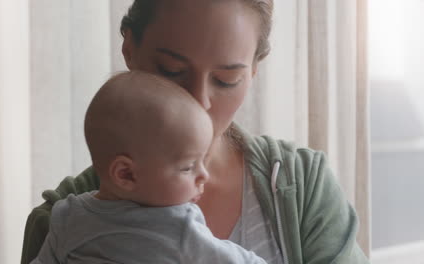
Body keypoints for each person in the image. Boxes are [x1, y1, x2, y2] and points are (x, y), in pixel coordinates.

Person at [22, 0, 370, 263]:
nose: (199, 101)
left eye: (226, 80)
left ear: (253, 72)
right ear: (129, 48)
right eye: (171, 71)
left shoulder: (302, 185)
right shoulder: (59, 220)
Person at [30, 71, 267, 264]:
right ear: (126, 174)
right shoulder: (177, 224)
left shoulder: (70, 215)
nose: (203, 175)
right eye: (187, 168)